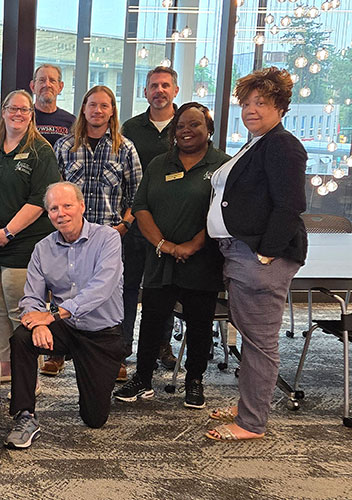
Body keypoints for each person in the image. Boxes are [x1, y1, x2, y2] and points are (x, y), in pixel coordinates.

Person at [205, 67, 307, 441]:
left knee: (261, 341)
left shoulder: (282, 144)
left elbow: (291, 204)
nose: (251, 109)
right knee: (250, 335)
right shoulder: (256, 143)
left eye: (261, 102)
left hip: (258, 258)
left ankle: (251, 423)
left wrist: (266, 253)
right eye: (246, 103)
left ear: (280, 106)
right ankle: (250, 404)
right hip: (239, 255)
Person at [114, 103, 229, 409]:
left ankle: (194, 380)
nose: (187, 131)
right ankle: (143, 378)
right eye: (180, 126)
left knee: (199, 322)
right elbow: (141, 207)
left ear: (209, 130)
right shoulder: (160, 164)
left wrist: (193, 245)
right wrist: (166, 246)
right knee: (151, 318)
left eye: (195, 125)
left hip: (203, 259)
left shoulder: (222, 165)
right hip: (160, 257)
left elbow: (223, 213)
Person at [6, 182, 127, 449]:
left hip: (101, 333)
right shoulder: (42, 248)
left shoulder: (107, 238)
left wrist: (49, 316)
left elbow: (101, 288)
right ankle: (25, 415)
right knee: (22, 338)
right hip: (65, 327)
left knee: (94, 418)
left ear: (82, 206)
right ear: (48, 214)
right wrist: (37, 323)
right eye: (53, 208)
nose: (61, 213)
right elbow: (31, 298)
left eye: (67, 206)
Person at [0, 90, 61, 383]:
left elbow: (40, 199)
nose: (18, 114)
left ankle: (27, 374)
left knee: (23, 311)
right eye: (13, 108)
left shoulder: (40, 152)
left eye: (24, 110)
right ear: (3, 111)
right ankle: (6, 366)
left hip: (23, 245)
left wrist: (9, 231)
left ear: (31, 116)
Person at [52, 85, 142, 381]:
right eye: (92, 105)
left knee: (109, 297)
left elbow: (137, 195)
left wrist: (124, 226)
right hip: (68, 235)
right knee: (64, 289)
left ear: (112, 111)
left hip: (107, 236)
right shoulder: (65, 146)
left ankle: (114, 356)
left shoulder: (124, 148)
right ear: (84, 109)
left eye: (104, 106)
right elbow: (52, 193)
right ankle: (56, 351)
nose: (98, 111)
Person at [121, 66, 182, 370]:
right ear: (145, 92)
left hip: (168, 225)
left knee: (161, 290)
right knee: (127, 286)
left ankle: (161, 345)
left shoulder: (186, 127)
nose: (159, 90)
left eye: (165, 85)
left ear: (175, 91)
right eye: (153, 86)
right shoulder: (130, 128)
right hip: (133, 222)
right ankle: (122, 347)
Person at [30, 64, 75, 147]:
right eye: (42, 80)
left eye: (52, 81)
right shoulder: (24, 118)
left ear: (60, 87)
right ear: (33, 86)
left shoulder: (71, 122)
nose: (47, 85)